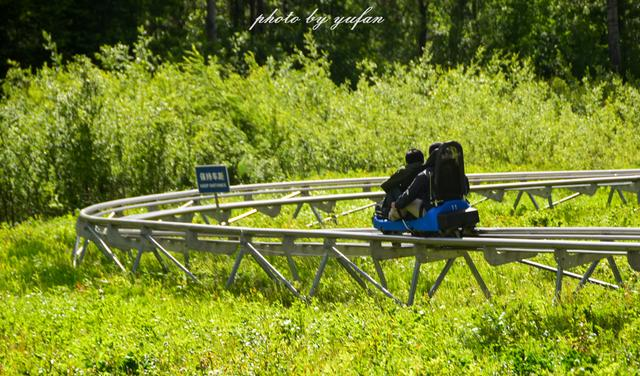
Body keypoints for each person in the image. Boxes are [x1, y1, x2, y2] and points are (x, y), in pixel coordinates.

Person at [387, 142, 442, 221]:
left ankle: (391, 218)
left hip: (432, 211)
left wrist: (396, 204)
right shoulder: (455, 172)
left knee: (403, 201)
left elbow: (409, 194)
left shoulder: (425, 174)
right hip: (453, 207)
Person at [375, 148, 425, 219]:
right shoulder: (425, 168)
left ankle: (385, 211)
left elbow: (386, 185)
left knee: (393, 188)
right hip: (421, 201)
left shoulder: (405, 170)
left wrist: (396, 174)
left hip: (409, 201)